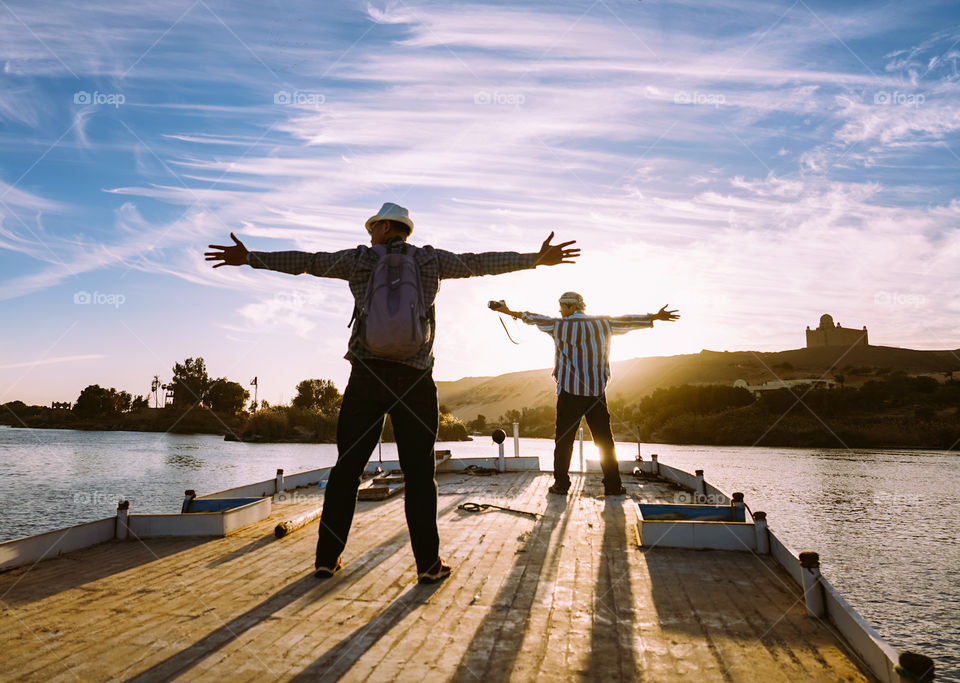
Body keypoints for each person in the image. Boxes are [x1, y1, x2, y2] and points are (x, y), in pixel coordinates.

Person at [205, 202, 578, 584]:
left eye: (372, 228)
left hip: (367, 375)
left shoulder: (360, 260)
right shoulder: (431, 261)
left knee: (347, 470)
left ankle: (326, 558)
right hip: (415, 379)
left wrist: (252, 258)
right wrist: (535, 259)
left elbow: (307, 261)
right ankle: (428, 565)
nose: (369, 234)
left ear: (385, 227)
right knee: (419, 475)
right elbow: (479, 262)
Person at [491, 293, 678, 496]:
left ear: (570, 307)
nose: (560, 311)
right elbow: (627, 321)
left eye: (561, 307)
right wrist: (654, 317)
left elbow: (533, 317)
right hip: (596, 392)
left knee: (564, 441)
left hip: (569, 393)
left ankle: (561, 485)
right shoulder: (603, 323)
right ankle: (613, 486)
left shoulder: (558, 326)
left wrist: (508, 311)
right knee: (605, 441)